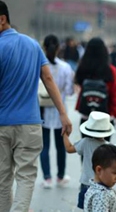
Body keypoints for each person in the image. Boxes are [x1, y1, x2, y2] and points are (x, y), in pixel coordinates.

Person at [0, 1, 73, 212]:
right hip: (30, 123)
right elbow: (48, 78)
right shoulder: (32, 45)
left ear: (2, 19)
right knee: (26, 175)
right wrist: (63, 114)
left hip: (1, 125)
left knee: (3, 179)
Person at [40, 34, 74, 189]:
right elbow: (70, 90)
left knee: (44, 145)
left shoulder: (39, 66)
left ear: (44, 48)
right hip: (61, 111)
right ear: (59, 48)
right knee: (61, 145)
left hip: (42, 110)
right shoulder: (66, 67)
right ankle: (60, 176)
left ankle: (47, 178)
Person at [63, 111, 115, 209]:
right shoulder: (109, 147)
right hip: (103, 185)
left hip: (86, 183)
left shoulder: (85, 142)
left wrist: (65, 135)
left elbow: (69, 149)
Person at [75, 37, 116, 138]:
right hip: (106, 116)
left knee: (86, 149)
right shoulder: (111, 71)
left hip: (87, 115)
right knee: (103, 151)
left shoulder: (83, 68)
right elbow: (115, 95)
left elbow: (78, 86)